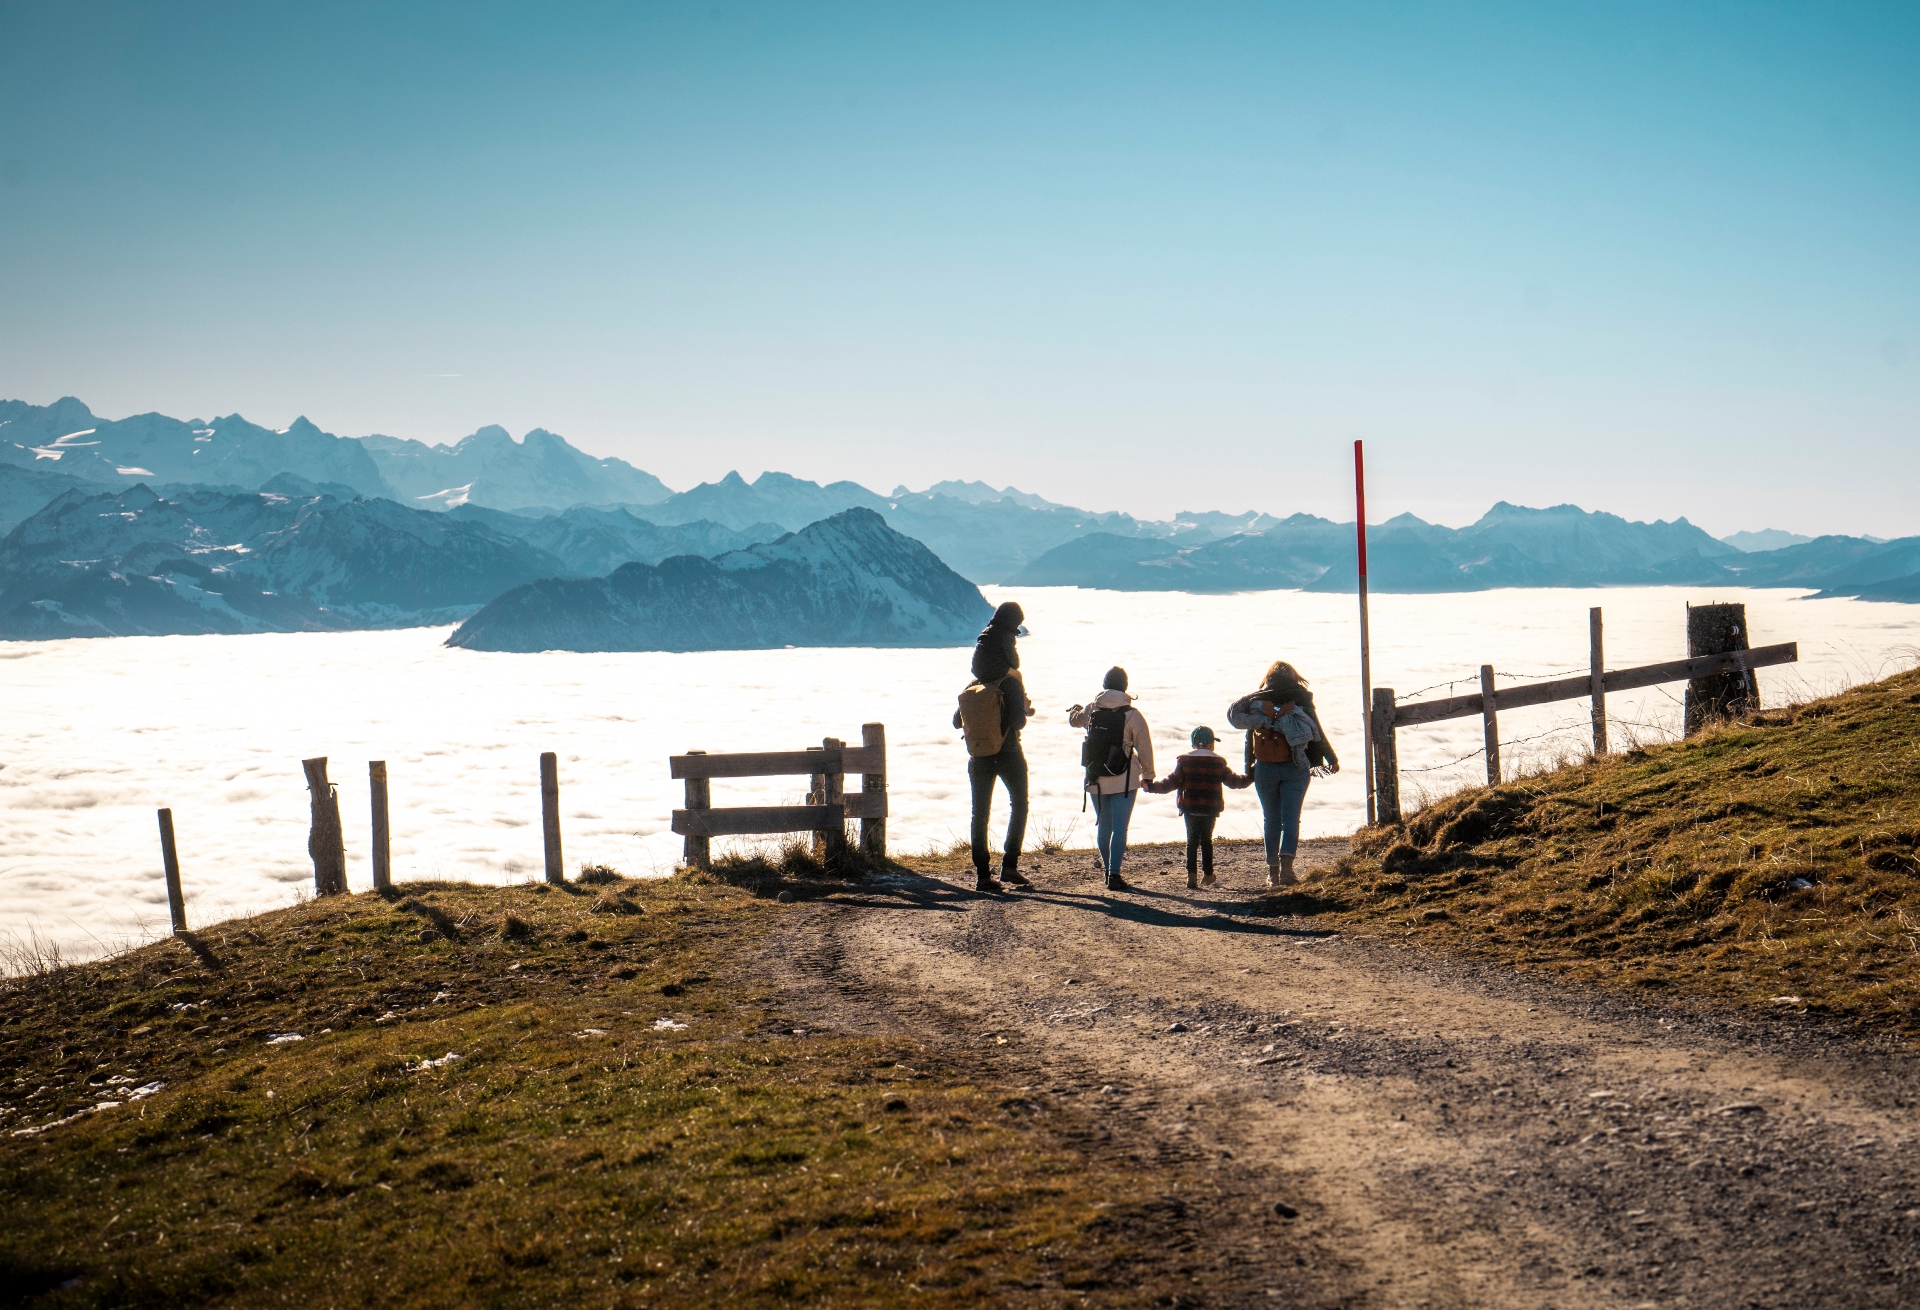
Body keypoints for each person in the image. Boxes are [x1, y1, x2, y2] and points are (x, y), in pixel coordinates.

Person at [1227, 660, 1337, 888]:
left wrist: (1250, 769)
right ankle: (1287, 869)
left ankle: (1272, 872)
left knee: (1271, 819)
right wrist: (1331, 757)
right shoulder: (1302, 699)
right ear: (1293, 678)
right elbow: (1318, 732)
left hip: (1265, 768)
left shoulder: (1256, 702)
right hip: (1295, 766)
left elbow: (1250, 739)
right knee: (1291, 819)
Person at [955, 601, 1032, 892]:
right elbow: (1019, 723)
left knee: (980, 813)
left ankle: (983, 875)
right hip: (1008, 752)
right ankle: (1010, 866)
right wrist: (1021, 711)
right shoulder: (1011, 683)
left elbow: (956, 721)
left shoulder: (972, 685)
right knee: (1019, 805)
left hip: (979, 757)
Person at [1068, 666, 1154, 891]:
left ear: (1105, 685)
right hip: (1124, 777)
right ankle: (1115, 875)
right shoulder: (1132, 715)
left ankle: (1107, 871)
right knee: (1120, 828)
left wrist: (1074, 711)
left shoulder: (1091, 709)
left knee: (1103, 825)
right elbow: (1144, 748)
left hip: (1096, 777)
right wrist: (1149, 776)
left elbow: (1074, 721)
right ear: (1125, 687)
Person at [1144, 726, 1251, 889]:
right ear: (1210, 744)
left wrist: (1150, 787)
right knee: (1206, 840)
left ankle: (1191, 876)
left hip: (1190, 806)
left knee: (1192, 840)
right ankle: (1208, 874)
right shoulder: (1219, 762)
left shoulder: (1184, 761)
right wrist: (1253, 775)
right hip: (1210, 807)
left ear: (1193, 744)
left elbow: (1170, 783)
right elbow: (1235, 782)